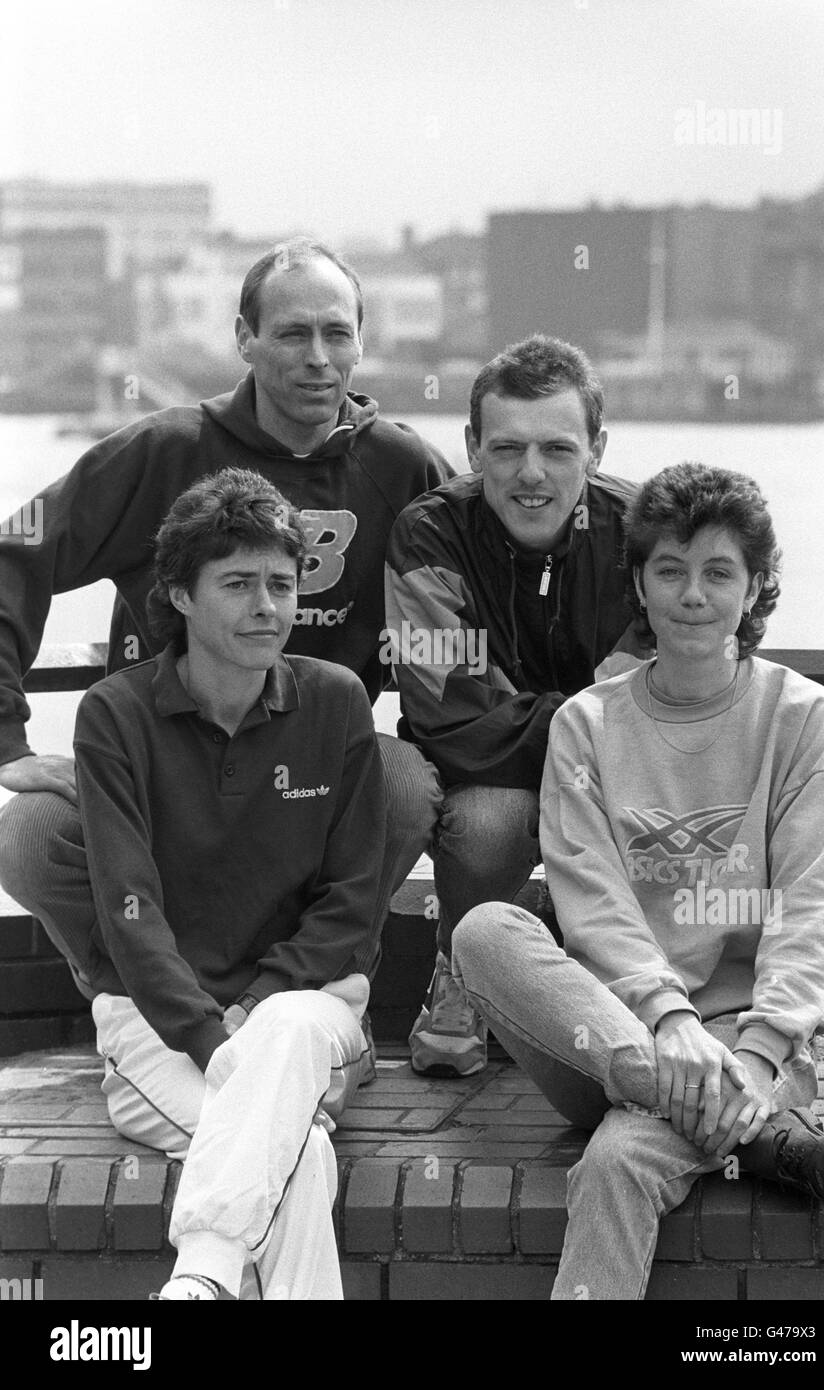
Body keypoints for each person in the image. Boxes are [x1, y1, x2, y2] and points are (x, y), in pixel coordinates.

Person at [0, 237, 450, 1065]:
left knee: (403, 783)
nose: (318, 359)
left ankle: (321, 987)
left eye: (336, 333)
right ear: (243, 338)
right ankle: (134, 998)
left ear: (360, 338)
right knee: (27, 835)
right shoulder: (163, 451)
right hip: (162, 777)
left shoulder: (403, 465)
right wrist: (7, 736)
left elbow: (469, 605)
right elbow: (17, 554)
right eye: (290, 335)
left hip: (308, 780)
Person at [451, 461, 824, 1300]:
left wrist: (752, 1056)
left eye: (719, 572)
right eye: (669, 570)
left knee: (617, 1162)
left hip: (758, 1045)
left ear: (756, 589)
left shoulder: (798, 718)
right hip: (610, 1036)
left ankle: (733, 1109)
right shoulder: (589, 723)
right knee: (483, 932)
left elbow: (812, 904)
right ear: (638, 583)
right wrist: (667, 1020)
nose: (692, 595)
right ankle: (750, 1133)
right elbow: (592, 899)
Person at [74, 468, 383, 1300]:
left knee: (286, 1027)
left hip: (309, 1012)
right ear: (177, 593)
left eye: (281, 585)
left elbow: (352, 900)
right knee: (300, 1152)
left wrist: (260, 1010)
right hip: (158, 1027)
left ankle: (203, 1275)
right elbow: (130, 914)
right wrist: (218, 1042)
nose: (267, 607)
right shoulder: (115, 715)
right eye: (238, 584)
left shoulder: (336, 701)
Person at [384, 334, 648, 1075]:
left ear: (597, 447)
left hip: (614, 788)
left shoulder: (644, 533)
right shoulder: (429, 534)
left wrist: (589, 724)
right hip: (489, 783)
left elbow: (654, 706)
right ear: (471, 447)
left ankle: (638, 989)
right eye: (506, 449)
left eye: (558, 449)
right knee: (491, 819)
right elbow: (453, 718)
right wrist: (590, 716)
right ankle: (461, 974)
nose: (531, 475)